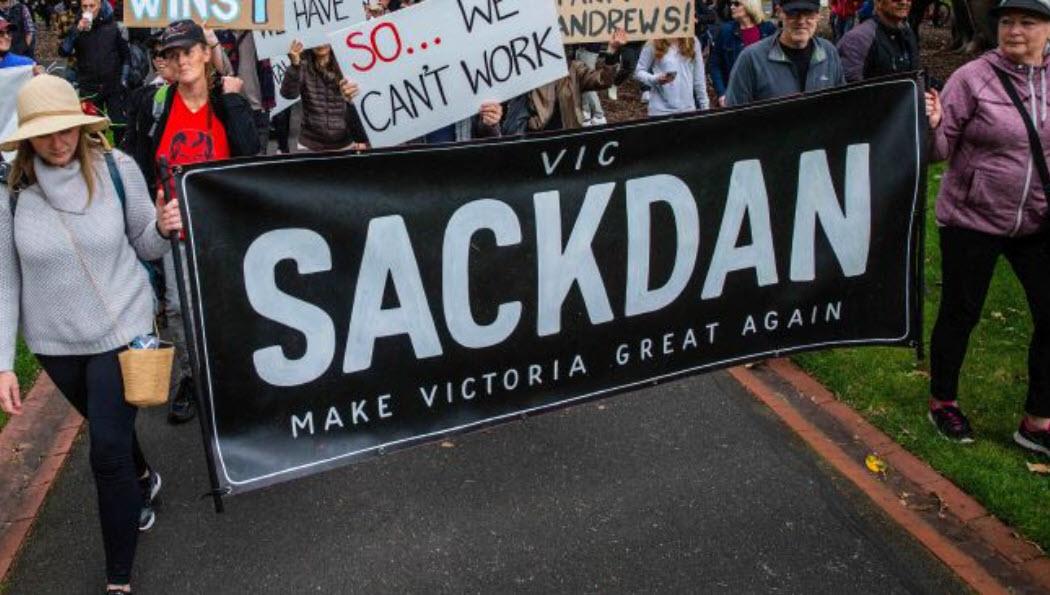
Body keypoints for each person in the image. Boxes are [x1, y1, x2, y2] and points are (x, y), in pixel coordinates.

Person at [0, 74, 182, 595]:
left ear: (83, 127)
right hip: (55, 345)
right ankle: (144, 479)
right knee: (114, 432)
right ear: (28, 139)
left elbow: (146, 244)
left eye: (67, 131)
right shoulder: (11, 198)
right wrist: (4, 363)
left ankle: (117, 581)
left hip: (123, 329)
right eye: (46, 134)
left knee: (104, 451)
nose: (59, 143)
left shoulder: (117, 170)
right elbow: (5, 279)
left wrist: (166, 229)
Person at [922, 0, 1050, 453]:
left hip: (1036, 220)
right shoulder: (972, 77)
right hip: (971, 219)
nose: (1015, 30)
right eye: (1008, 21)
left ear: (1048, 29)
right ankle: (943, 401)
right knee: (962, 311)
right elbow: (938, 151)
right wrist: (933, 125)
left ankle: (1037, 420)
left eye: (1028, 22)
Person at [126, 19, 258, 424]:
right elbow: (135, 162)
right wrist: (151, 216)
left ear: (205, 53)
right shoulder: (156, 103)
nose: (181, 61)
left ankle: (233, 378)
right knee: (180, 308)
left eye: (188, 51)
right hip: (175, 226)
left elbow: (250, 153)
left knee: (230, 302)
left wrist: (235, 100)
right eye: (172, 54)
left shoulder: (226, 98)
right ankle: (193, 378)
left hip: (222, 225)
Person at [724, 0, 846, 106]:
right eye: (793, 13)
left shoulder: (829, 52)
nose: (801, 21)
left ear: (818, 15)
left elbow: (841, 105)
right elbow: (733, 117)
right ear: (779, 13)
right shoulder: (752, 59)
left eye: (808, 13)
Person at [527, 30, 627, 132]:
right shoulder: (528, 71)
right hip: (536, 137)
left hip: (568, 135)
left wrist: (611, 52)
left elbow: (602, 80)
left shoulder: (574, 69)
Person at [58, 0, 129, 142]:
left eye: (92, 6)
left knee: (119, 126)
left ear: (100, 6)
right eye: (85, 6)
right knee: (93, 130)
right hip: (89, 85)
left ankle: (120, 158)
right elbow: (63, 51)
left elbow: (126, 56)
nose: (88, 10)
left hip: (112, 85)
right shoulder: (77, 27)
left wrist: (123, 80)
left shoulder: (113, 26)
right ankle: (95, 160)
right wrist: (76, 31)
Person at [282, 40, 366, 152]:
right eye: (316, 40)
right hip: (309, 144)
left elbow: (361, 100)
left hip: (345, 143)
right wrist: (295, 66)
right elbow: (289, 94)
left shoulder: (347, 64)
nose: (321, 44)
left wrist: (361, 138)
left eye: (324, 39)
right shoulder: (302, 66)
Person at [708, 0, 777, 107]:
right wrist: (722, 93)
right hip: (736, 96)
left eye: (736, 4)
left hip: (765, 94)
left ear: (750, 5)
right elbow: (715, 65)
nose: (731, 7)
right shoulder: (726, 31)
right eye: (731, 3)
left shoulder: (768, 29)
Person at [837, 0, 919, 82]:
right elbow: (850, 88)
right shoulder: (859, 39)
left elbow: (914, 75)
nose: (904, 2)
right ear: (878, 2)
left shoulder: (907, 33)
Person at [634, 36, 711, 115]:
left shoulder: (693, 41)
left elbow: (699, 79)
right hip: (660, 111)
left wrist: (705, 106)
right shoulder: (653, 42)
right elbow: (639, 71)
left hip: (687, 109)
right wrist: (655, 79)